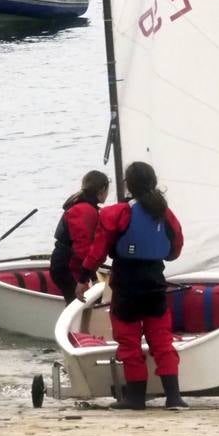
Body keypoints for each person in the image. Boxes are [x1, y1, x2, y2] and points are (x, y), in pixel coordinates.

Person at [81, 161, 185, 410]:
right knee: (161, 340)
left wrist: (83, 276)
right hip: (154, 282)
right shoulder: (165, 212)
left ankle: (136, 398)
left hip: (127, 283)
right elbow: (175, 250)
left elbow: (98, 251)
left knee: (129, 342)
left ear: (128, 185)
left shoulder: (116, 213)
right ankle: (174, 397)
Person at [48, 170, 109, 304]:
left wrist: (91, 276)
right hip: (66, 266)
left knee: (79, 302)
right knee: (77, 304)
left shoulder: (87, 207)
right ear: (102, 189)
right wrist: (88, 277)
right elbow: (83, 249)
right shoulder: (84, 210)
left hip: (69, 264)